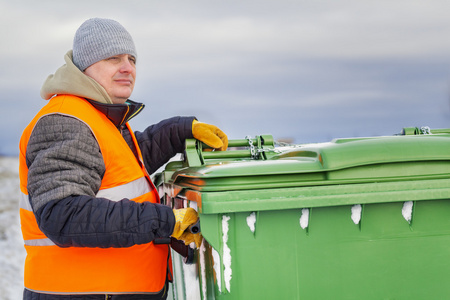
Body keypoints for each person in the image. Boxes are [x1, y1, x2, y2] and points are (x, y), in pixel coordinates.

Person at [19, 18, 228, 300]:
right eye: (113, 58)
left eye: (132, 59)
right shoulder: (66, 121)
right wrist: (167, 222)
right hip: (82, 294)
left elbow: (123, 163)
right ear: (84, 66)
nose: (128, 68)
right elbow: (63, 214)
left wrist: (180, 130)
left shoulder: (98, 118)